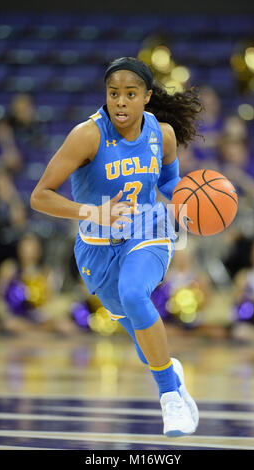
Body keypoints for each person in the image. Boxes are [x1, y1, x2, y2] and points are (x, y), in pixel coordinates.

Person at [30, 56, 202, 437]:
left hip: (148, 231)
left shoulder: (163, 134)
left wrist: (187, 207)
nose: (120, 102)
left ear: (146, 97)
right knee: (142, 336)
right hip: (96, 249)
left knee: (134, 293)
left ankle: (170, 398)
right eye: (113, 94)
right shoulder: (87, 135)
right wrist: (94, 211)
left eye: (130, 94)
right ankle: (170, 372)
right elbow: (39, 197)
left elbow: (171, 182)